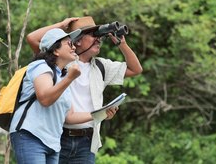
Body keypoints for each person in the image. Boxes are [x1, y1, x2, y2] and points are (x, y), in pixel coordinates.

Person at [26, 16, 143, 164]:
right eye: (93, 35)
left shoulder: (101, 66)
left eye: (99, 35)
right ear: (78, 41)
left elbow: (135, 69)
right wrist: (62, 25)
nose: (99, 39)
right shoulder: (61, 60)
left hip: (87, 140)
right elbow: (32, 39)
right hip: (58, 135)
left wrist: (122, 44)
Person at [9, 28, 94, 164]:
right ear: (55, 50)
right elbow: (45, 99)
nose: (73, 47)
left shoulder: (62, 77)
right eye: (69, 44)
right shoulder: (40, 66)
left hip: (53, 143)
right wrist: (70, 79)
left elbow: (69, 116)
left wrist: (100, 113)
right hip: (30, 135)